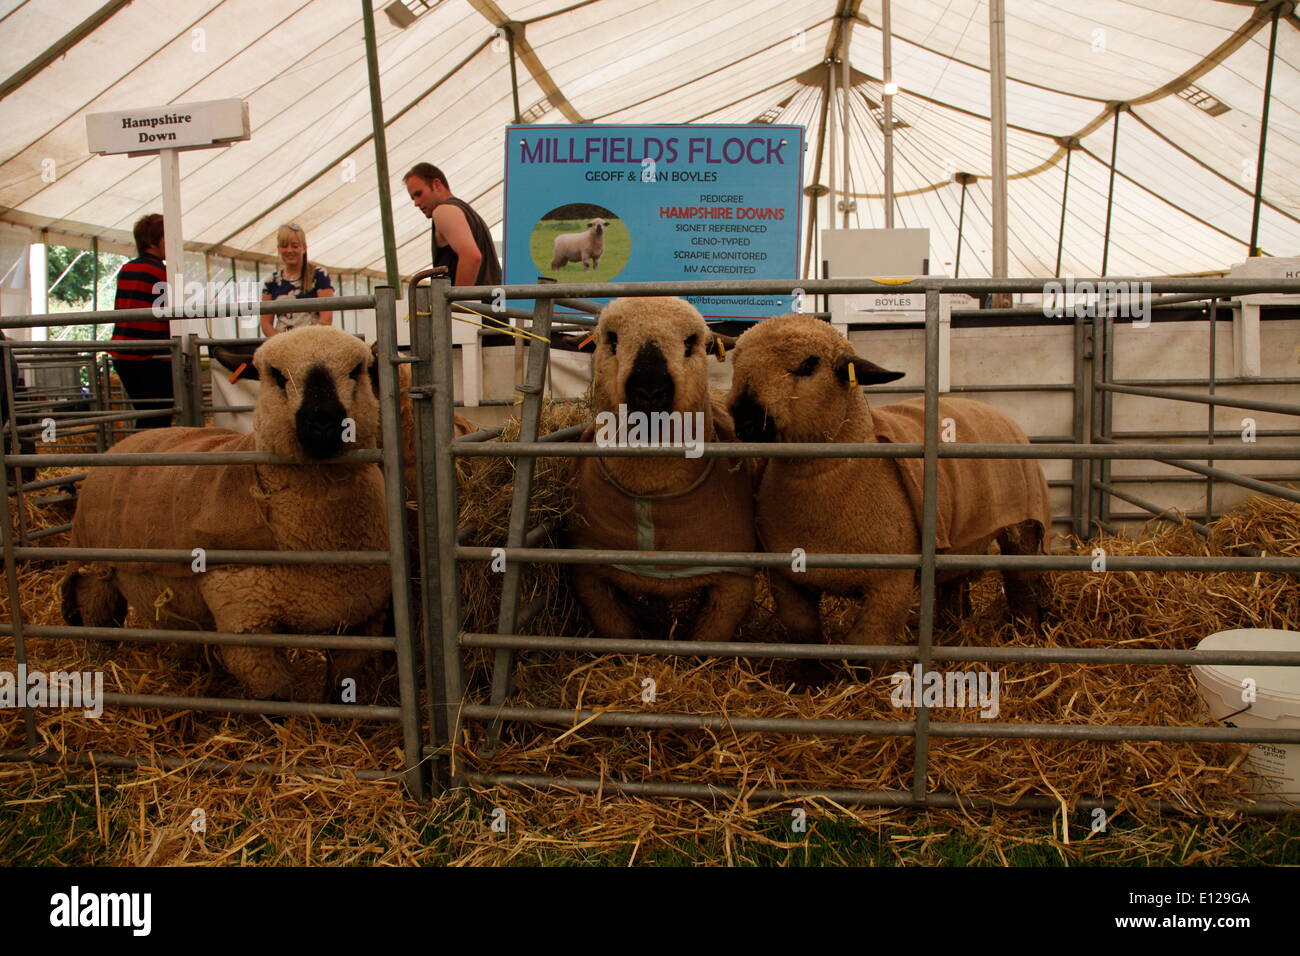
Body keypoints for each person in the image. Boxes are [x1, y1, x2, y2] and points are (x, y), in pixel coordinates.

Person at [109, 213, 174, 429]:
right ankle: (148, 458)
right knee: (159, 415)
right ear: (154, 241)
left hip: (123, 354)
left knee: (148, 413)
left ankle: (142, 457)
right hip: (149, 355)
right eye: (168, 236)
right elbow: (168, 312)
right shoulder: (161, 272)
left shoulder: (127, 269)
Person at [403, 163, 502, 287]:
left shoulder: (444, 211)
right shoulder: (466, 211)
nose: (416, 203)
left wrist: (456, 302)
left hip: (474, 303)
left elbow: (471, 256)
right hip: (492, 302)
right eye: (413, 198)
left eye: (419, 194)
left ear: (437, 185)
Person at [259, 223, 334, 336]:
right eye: (284, 246)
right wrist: (281, 342)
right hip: (282, 344)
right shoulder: (271, 281)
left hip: (313, 342)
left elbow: (326, 319)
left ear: (304, 248)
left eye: (294, 246)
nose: (289, 250)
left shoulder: (319, 275)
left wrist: (303, 343)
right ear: (279, 249)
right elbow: (265, 323)